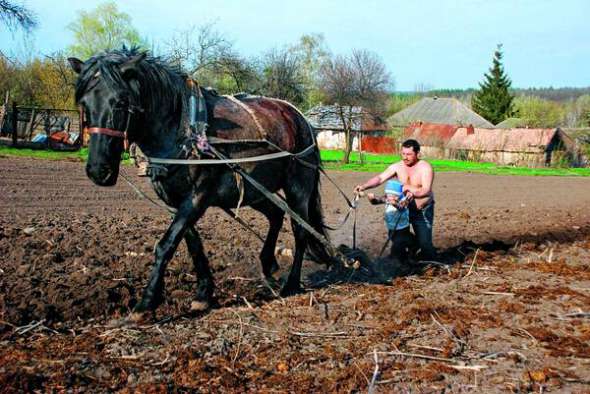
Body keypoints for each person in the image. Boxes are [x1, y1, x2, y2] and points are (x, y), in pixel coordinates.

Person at [355, 139, 436, 261]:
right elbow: (380, 178)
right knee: (398, 240)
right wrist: (364, 186)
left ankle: (423, 253)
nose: (405, 157)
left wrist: (407, 188)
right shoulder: (397, 167)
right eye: (403, 154)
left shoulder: (425, 167)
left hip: (421, 211)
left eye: (409, 154)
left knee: (425, 245)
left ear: (417, 153)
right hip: (403, 209)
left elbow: (425, 190)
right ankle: (411, 251)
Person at [367, 179, 413, 263]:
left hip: (402, 229)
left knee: (397, 245)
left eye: (392, 195)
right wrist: (371, 199)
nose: (390, 197)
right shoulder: (387, 199)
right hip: (391, 228)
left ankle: (395, 259)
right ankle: (404, 254)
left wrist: (394, 203)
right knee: (396, 242)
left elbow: (401, 207)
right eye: (388, 194)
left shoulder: (404, 200)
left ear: (398, 195)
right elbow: (376, 202)